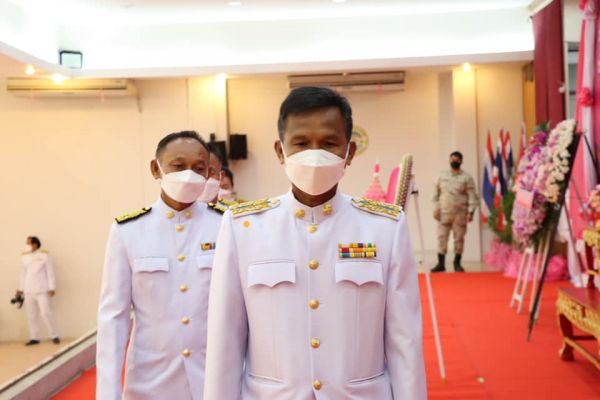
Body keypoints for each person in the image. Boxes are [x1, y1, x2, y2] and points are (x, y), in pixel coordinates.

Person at [204, 87, 426, 399]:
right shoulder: (244, 228)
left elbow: (405, 342)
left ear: (349, 152)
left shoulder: (384, 227)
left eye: (329, 143)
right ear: (280, 151)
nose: (315, 154)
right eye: (301, 143)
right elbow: (224, 340)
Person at [96, 131, 222, 400]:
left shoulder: (225, 225)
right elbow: (113, 317)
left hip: (215, 380)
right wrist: (108, 394)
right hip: (150, 383)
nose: (189, 175)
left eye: (198, 168)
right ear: (156, 168)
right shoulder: (129, 231)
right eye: (178, 166)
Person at [431, 151, 479, 273]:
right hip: (444, 213)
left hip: (460, 214)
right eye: (452, 159)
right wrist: (435, 208)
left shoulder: (467, 178)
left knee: (459, 238)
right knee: (441, 237)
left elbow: (472, 196)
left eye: (457, 159)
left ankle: (457, 263)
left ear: (461, 161)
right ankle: (441, 263)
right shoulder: (441, 176)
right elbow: (435, 194)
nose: (454, 161)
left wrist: (471, 212)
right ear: (449, 160)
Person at [17, 236, 60, 346]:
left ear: (35, 244)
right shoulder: (24, 257)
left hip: (42, 289)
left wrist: (52, 287)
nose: (27, 245)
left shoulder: (44, 255)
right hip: (28, 290)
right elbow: (22, 274)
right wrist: (20, 289)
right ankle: (34, 337)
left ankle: (54, 335)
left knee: (45, 313)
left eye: (29, 243)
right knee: (31, 315)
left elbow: (50, 272)